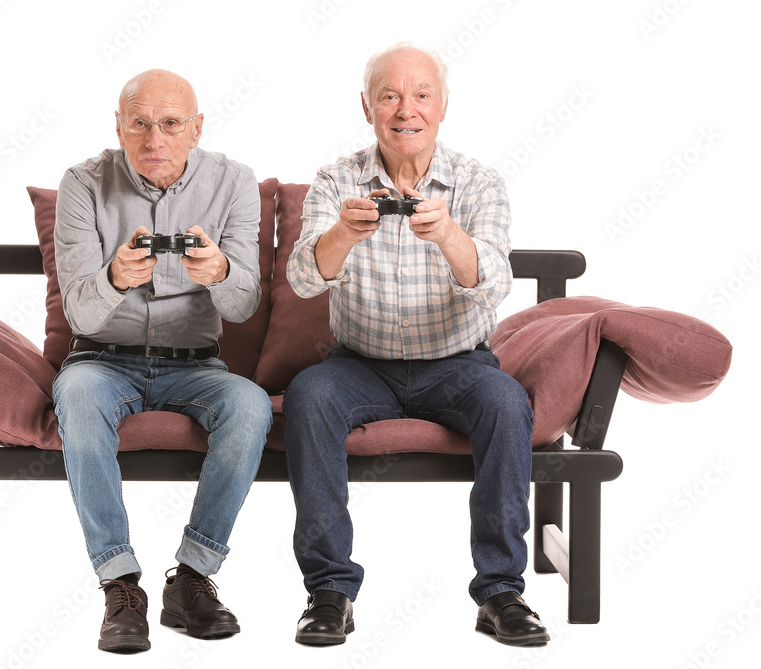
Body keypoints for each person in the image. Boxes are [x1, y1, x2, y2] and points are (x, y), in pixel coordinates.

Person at [283, 43, 549, 647]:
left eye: (421, 95)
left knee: (508, 405)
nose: (407, 109)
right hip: (360, 366)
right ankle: (329, 592)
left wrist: (451, 236)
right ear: (367, 106)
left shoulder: (478, 182)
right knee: (308, 397)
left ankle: (502, 591)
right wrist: (343, 236)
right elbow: (303, 279)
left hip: (459, 363)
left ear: (444, 106)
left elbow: (496, 286)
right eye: (390, 95)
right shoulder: (336, 180)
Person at [51, 69, 272, 653]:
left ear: (196, 128)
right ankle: (120, 584)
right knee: (76, 395)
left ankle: (194, 579)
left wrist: (220, 273)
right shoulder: (82, 183)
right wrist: (113, 278)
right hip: (101, 359)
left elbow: (246, 304)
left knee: (250, 406)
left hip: (195, 365)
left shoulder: (234, 182)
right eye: (140, 125)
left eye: (171, 124)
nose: (155, 140)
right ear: (118, 127)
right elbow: (79, 313)